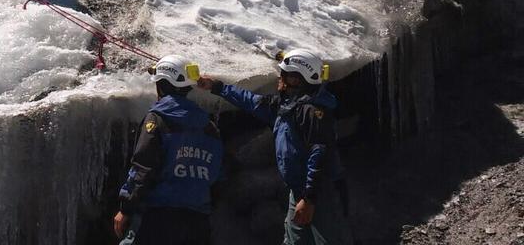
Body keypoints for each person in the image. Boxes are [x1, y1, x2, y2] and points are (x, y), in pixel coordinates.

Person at [198, 49, 352, 245]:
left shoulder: (312, 111)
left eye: (284, 74)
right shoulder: (286, 106)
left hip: (320, 193)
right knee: (293, 240)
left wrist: (310, 199)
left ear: (297, 79)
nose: (279, 78)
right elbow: (250, 101)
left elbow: (319, 153)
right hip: (299, 191)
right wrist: (216, 87)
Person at [114, 55, 223, 245]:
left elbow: (143, 168)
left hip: (158, 216)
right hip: (197, 219)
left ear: (162, 85)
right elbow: (216, 173)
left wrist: (126, 208)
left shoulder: (157, 119)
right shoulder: (209, 127)